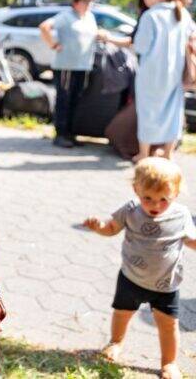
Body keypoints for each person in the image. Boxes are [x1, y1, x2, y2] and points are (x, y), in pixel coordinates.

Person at [83, 157, 196, 379]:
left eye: (164, 199)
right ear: (136, 189)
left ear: (176, 193)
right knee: (122, 314)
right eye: (148, 198)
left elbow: (190, 240)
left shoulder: (181, 215)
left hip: (166, 284)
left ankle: (169, 363)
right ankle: (115, 342)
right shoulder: (130, 210)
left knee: (168, 325)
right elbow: (111, 228)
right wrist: (99, 227)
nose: (155, 205)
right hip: (131, 278)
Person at [129, 0, 196, 161]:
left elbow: (140, 46)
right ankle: (168, 153)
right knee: (173, 113)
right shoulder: (183, 14)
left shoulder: (151, 16)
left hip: (151, 74)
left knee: (148, 113)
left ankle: (144, 153)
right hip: (175, 74)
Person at [39, 0, 99, 148]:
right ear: (76, 2)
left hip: (83, 66)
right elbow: (44, 27)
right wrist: (53, 44)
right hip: (66, 66)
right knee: (64, 100)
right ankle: (60, 134)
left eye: (91, 0)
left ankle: (71, 133)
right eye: (86, 0)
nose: (89, 4)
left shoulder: (90, 17)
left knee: (75, 100)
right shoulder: (65, 16)